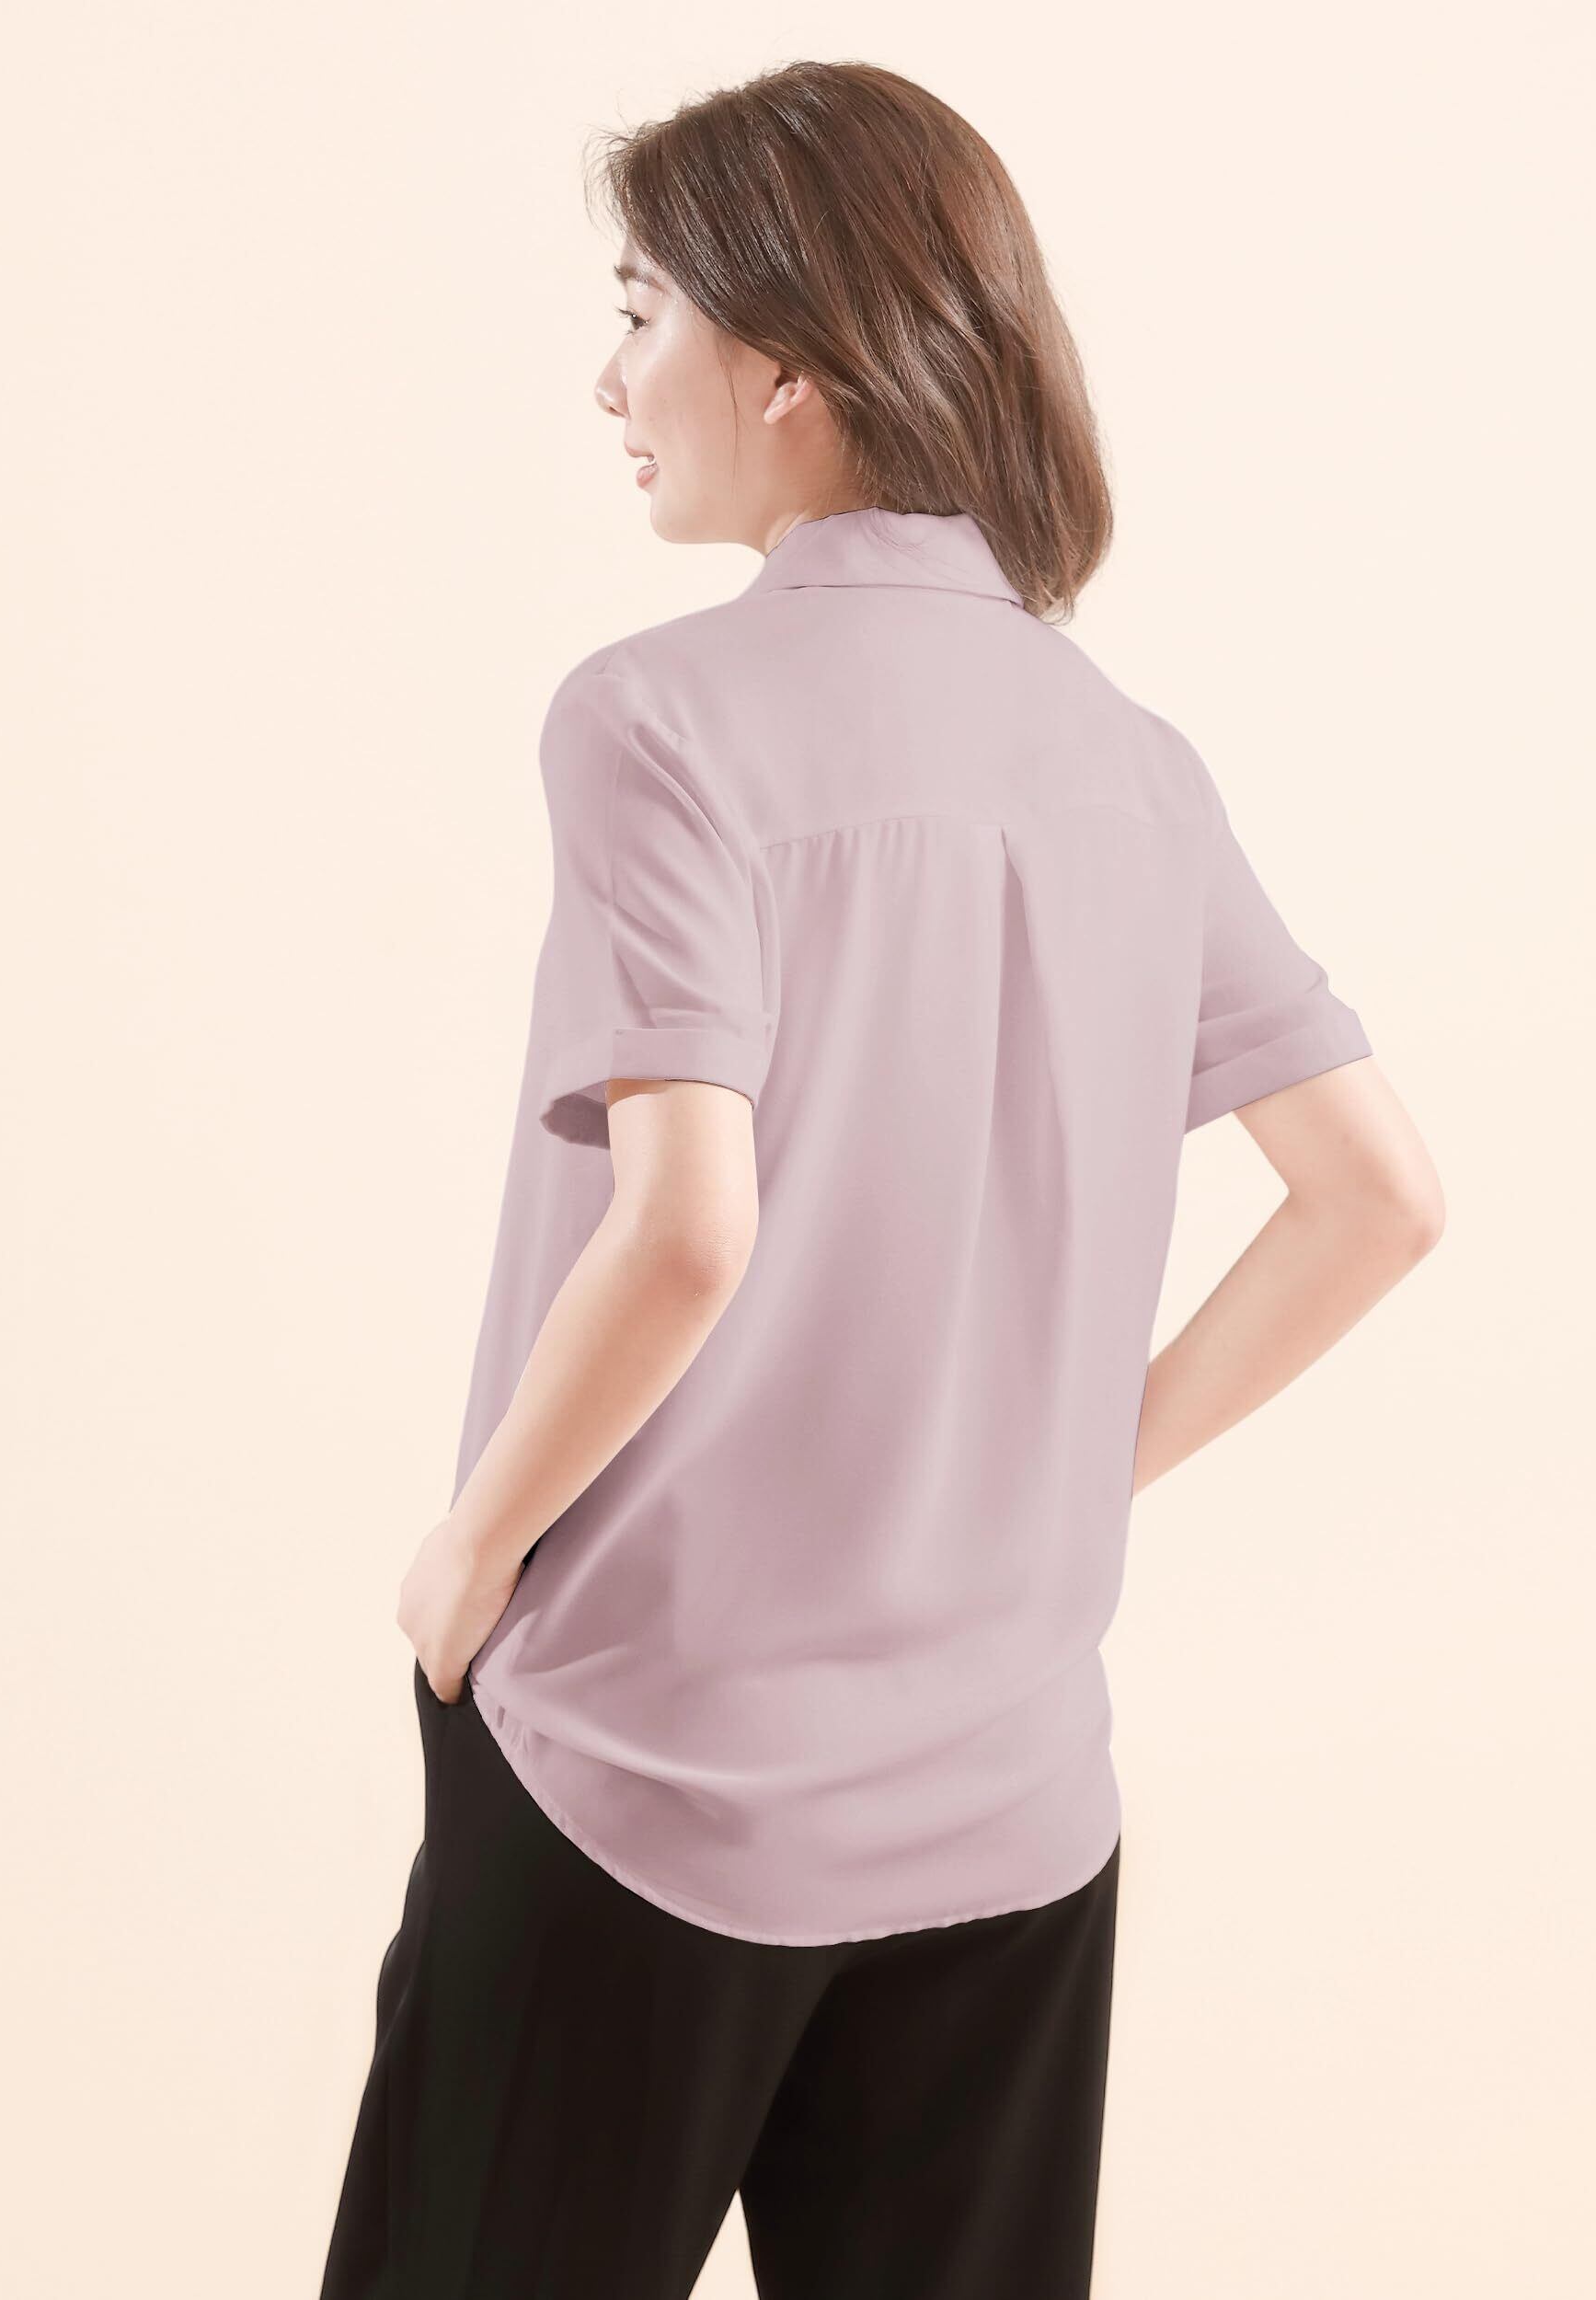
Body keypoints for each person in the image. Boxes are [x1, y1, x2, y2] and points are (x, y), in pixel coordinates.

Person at [317, 58, 1443, 2300]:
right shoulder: (1125, 758)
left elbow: (685, 1224)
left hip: (644, 1746)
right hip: (1005, 1780)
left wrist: (472, 1550)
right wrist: (1073, 1471)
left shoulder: (655, 717)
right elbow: (1377, 1198)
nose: (611, 378)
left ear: (786, 364)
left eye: (640, 310)